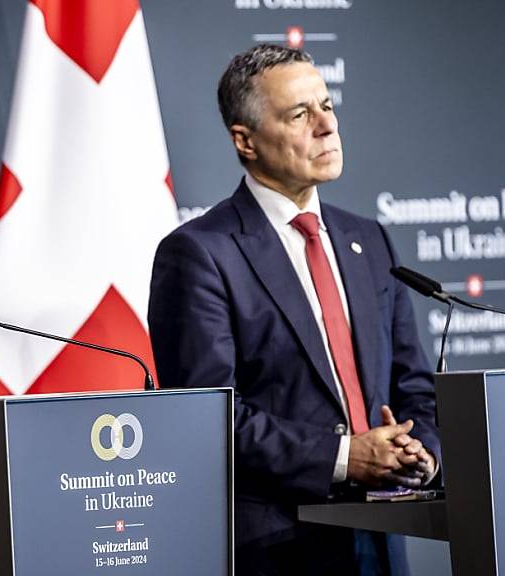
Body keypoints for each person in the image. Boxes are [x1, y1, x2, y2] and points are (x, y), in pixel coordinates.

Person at [148, 44, 440, 575]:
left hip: (383, 540)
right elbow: (208, 419)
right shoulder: (200, 254)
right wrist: (345, 457)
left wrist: (421, 452)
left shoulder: (368, 240)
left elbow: (414, 386)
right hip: (278, 547)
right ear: (246, 140)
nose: (326, 126)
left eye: (327, 106)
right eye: (300, 114)